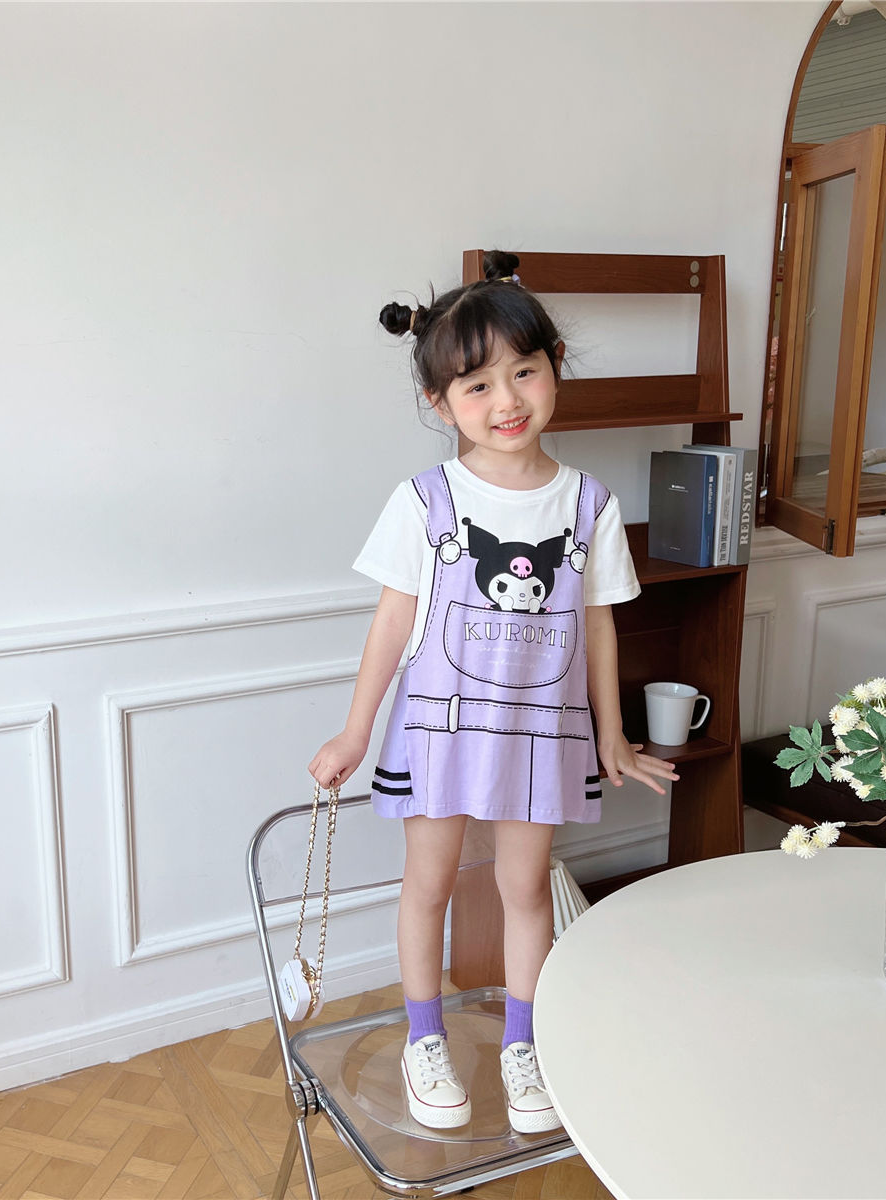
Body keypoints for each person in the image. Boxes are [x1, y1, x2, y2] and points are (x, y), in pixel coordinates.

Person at [308, 252, 678, 1135]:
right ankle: (424, 1037)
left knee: (524, 887)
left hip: (541, 733)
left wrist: (612, 735)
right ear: (440, 404)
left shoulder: (588, 505)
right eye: (476, 386)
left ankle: (522, 1043)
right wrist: (355, 732)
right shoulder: (425, 500)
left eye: (523, 372)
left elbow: (597, 626)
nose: (505, 400)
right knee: (428, 884)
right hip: (437, 729)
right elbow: (393, 624)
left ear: (555, 365)